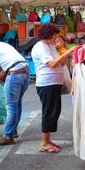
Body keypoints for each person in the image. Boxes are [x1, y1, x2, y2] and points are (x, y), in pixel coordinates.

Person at [31, 24, 75, 153]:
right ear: (48, 34)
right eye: (55, 35)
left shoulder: (50, 46)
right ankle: (44, 143)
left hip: (54, 84)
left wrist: (62, 49)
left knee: (54, 111)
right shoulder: (40, 47)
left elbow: (61, 62)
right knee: (49, 112)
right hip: (46, 84)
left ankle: (48, 140)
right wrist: (68, 52)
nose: (57, 37)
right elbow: (52, 64)